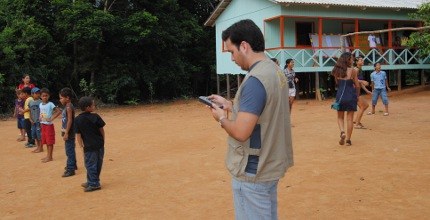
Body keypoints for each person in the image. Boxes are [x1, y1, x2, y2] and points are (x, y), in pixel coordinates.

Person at [206, 19, 293, 219]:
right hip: (270, 164)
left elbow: (241, 132)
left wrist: (221, 118)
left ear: (244, 46)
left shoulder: (255, 80)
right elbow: (266, 110)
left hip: (253, 172)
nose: (232, 58)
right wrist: (231, 105)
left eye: (231, 52)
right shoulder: (274, 71)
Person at [75, 96, 106, 192]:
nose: (94, 106)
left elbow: (78, 134)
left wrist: (81, 145)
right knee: (97, 164)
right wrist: (103, 141)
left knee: (90, 164)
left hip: (88, 146)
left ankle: (94, 183)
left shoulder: (77, 119)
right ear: (88, 107)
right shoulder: (96, 116)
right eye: (93, 105)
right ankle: (91, 181)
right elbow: (102, 130)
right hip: (99, 145)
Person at [331, 52, 360, 146]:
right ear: (348, 60)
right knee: (350, 119)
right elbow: (357, 85)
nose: (353, 60)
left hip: (340, 96)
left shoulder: (336, 71)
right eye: (351, 58)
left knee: (340, 117)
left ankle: (342, 132)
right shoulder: (353, 71)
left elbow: (337, 84)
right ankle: (348, 140)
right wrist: (357, 96)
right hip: (351, 95)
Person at [52, 88, 77, 177]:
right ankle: (73, 165)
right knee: (70, 149)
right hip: (67, 131)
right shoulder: (67, 106)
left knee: (69, 150)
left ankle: (71, 169)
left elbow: (70, 120)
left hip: (69, 132)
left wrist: (66, 133)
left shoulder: (69, 107)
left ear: (67, 98)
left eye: (61, 98)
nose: (60, 100)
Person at [39, 88, 59, 163]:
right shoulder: (40, 104)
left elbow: (58, 111)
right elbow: (41, 113)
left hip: (49, 126)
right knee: (46, 141)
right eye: (43, 96)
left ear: (49, 96)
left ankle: (50, 156)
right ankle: (48, 156)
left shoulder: (51, 104)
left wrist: (51, 118)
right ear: (40, 96)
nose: (45, 97)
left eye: (46, 96)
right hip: (43, 124)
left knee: (50, 141)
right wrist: (40, 117)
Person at [353, 56, 372, 129]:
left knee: (365, 106)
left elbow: (360, 83)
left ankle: (356, 121)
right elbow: (353, 80)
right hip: (354, 91)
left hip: (357, 91)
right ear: (356, 62)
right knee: (363, 106)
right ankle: (356, 124)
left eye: (362, 60)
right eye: (360, 60)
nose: (362, 61)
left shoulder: (359, 69)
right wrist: (362, 81)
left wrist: (367, 91)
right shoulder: (356, 69)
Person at [29, 87, 42, 152]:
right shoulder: (30, 102)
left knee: (39, 135)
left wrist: (41, 120)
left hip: (38, 122)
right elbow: (30, 111)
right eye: (36, 93)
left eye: (38, 93)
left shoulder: (41, 102)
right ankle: (38, 147)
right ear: (32, 94)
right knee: (35, 135)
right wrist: (30, 119)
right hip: (33, 122)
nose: (38, 94)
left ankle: (41, 147)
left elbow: (42, 112)